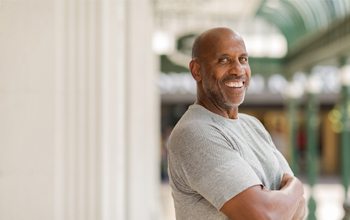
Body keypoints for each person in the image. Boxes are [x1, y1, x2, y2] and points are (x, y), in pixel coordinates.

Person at [167, 27, 306, 220]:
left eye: (243, 59)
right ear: (196, 70)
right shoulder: (195, 133)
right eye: (224, 60)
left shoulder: (253, 125)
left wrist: (281, 200)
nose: (238, 70)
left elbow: (300, 209)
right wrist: (296, 187)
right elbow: (264, 215)